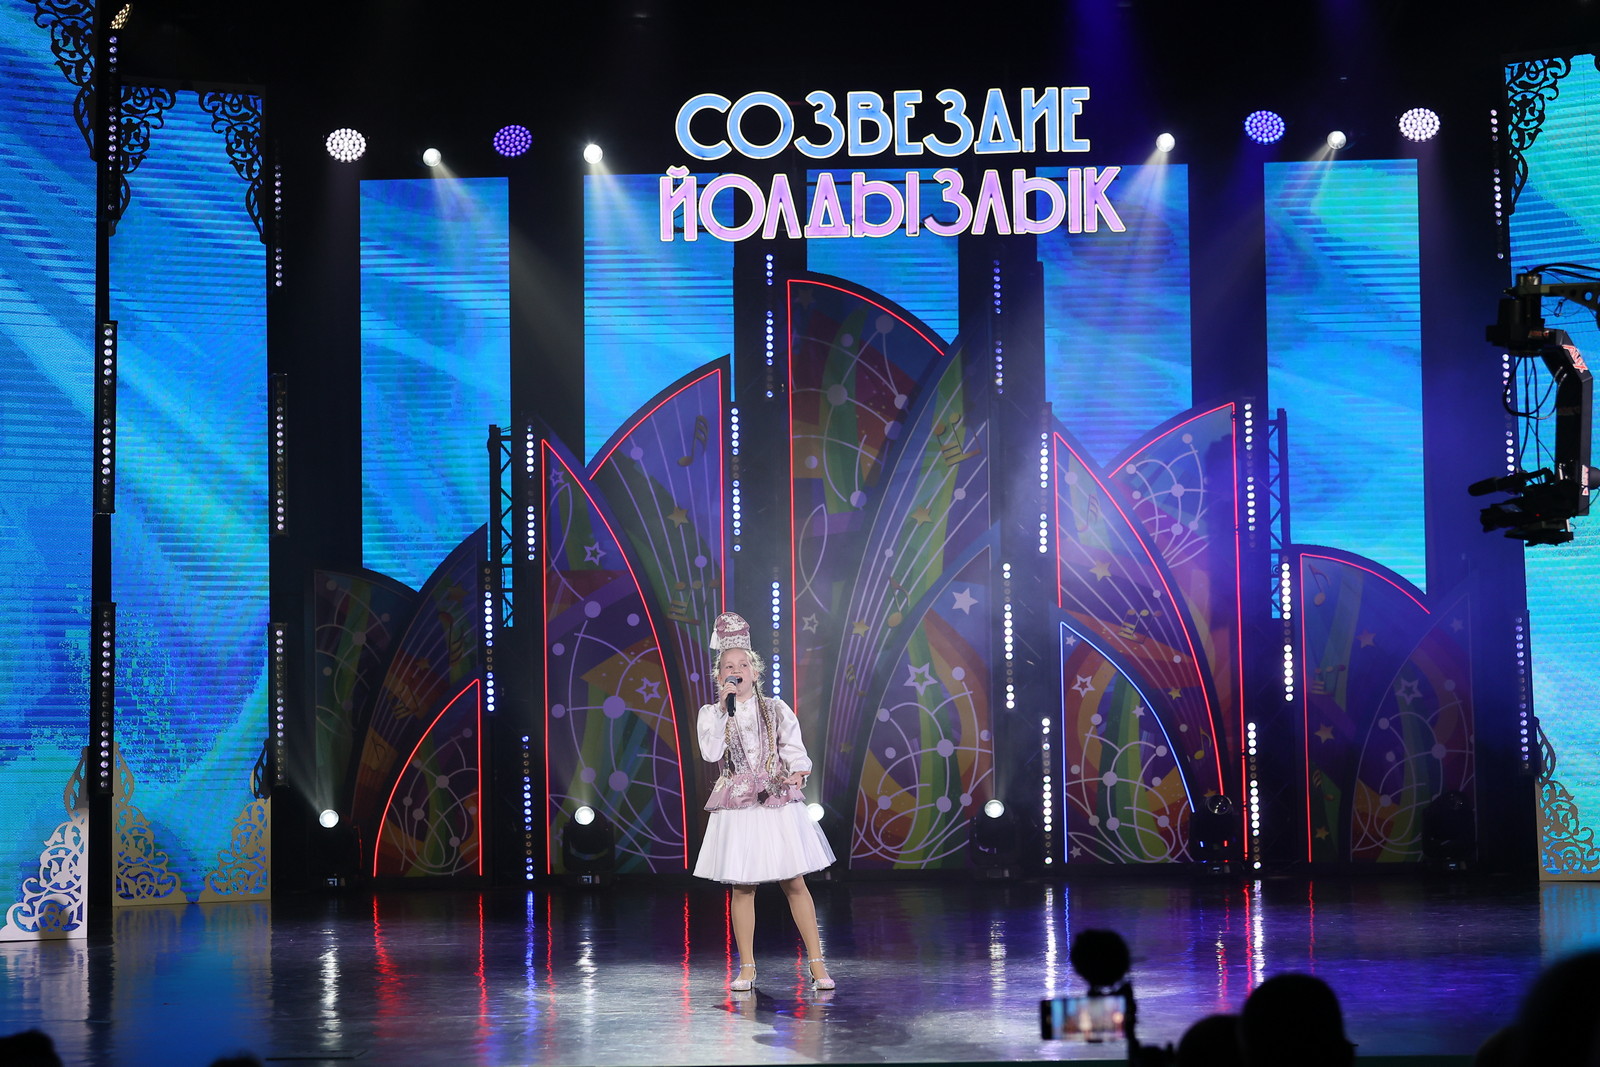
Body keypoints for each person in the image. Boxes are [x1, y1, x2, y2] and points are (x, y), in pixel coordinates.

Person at [692, 611, 837, 991]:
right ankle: (747, 967)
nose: (736, 671)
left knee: (795, 881)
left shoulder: (775, 708)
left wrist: (799, 771)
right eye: (728, 667)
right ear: (720, 677)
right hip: (738, 805)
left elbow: (794, 749)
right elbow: (710, 753)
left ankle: (817, 964)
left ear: (755, 672)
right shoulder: (711, 714)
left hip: (775, 799)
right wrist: (723, 710)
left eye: (742, 665)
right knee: (743, 886)